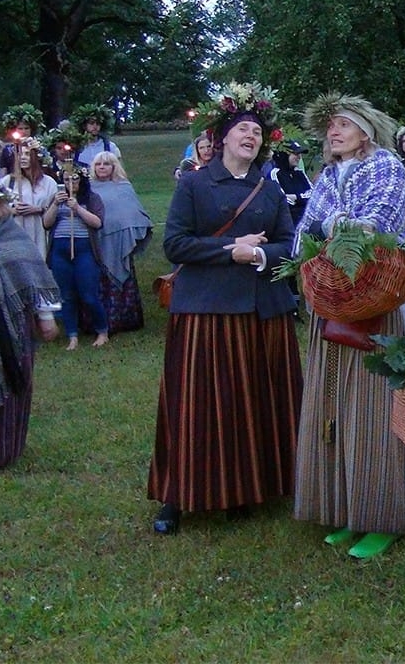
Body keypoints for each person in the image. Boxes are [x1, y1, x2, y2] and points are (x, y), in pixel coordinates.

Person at [147, 82, 302, 535]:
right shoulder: (195, 184)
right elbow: (174, 244)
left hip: (259, 311)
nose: (250, 137)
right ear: (223, 138)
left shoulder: (268, 191)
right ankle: (179, 494)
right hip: (205, 311)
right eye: (243, 130)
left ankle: (246, 488)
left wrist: (257, 257)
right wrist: (229, 250)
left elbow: (287, 243)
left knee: (251, 402)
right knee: (195, 403)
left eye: (256, 131)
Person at [292, 93, 405, 559]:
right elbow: (305, 233)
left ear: (366, 132)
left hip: (375, 302)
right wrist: (312, 250)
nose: (334, 132)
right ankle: (344, 509)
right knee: (332, 404)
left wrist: (330, 225)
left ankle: (383, 517)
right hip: (331, 301)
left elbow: (374, 228)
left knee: (373, 409)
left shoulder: (387, 167)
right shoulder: (328, 174)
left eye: (344, 125)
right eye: (330, 126)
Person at [0, 173, 60, 479]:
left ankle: (4, 448)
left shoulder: (11, 235)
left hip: (11, 329)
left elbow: (33, 276)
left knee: (12, 383)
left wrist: (46, 319)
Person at [42, 166, 108, 349]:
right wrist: (55, 205)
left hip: (84, 250)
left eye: (74, 180)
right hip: (60, 251)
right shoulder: (56, 199)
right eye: (66, 180)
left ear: (82, 181)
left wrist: (77, 208)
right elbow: (46, 223)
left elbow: (97, 222)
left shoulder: (92, 199)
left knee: (89, 295)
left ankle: (102, 331)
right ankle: (72, 336)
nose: (70, 183)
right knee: (67, 295)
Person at [89, 152, 153, 334]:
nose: (102, 167)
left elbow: (134, 212)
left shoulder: (124, 186)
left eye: (106, 164)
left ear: (114, 167)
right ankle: (99, 322)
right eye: (98, 164)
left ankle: (125, 321)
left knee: (122, 281)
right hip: (97, 243)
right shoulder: (88, 189)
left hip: (120, 244)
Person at [0, 139, 57, 260]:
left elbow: (56, 210)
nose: (22, 158)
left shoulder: (48, 182)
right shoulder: (8, 181)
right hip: (14, 235)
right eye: (19, 155)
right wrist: (12, 211)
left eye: (27, 154)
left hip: (39, 234)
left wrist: (38, 209)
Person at [269, 140, 313, 228]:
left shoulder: (299, 173)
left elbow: (313, 195)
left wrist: (297, 197)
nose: (299, 157)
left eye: (300, 154)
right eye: (295, 154)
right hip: (287, 223)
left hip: (306, 220)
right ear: (284, 154)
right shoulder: (275, 174)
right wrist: (303, 199)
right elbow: (283, 200)